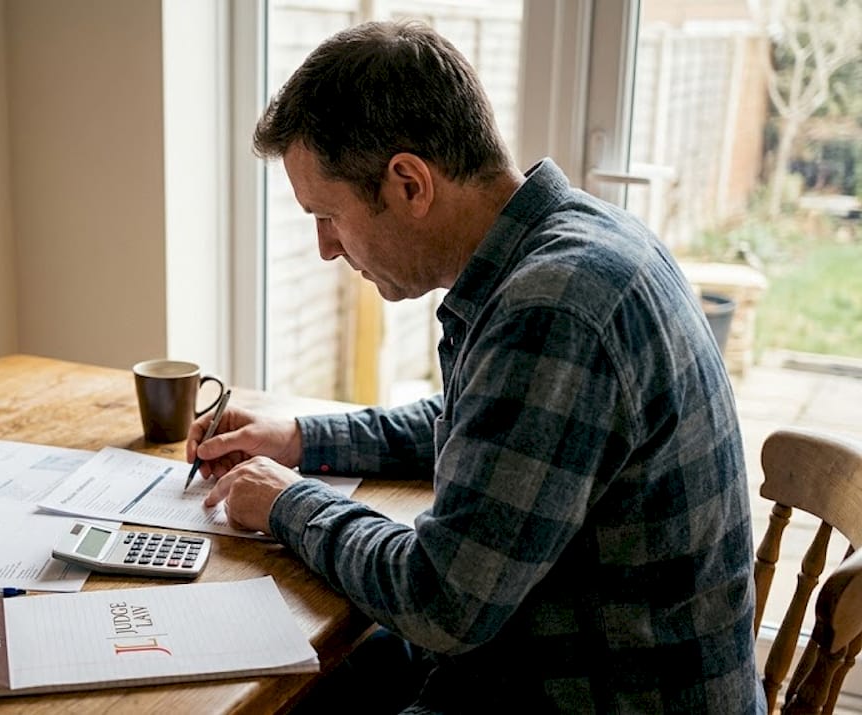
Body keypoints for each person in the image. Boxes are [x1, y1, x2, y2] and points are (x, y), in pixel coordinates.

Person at [188, 21, 761, 713]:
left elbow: (441, 601)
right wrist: (303, 438)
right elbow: (491, 418)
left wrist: (287, 502)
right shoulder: (579, 238)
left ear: (408, 182)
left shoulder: (554, 306)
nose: (325, 249)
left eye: (328, 215)